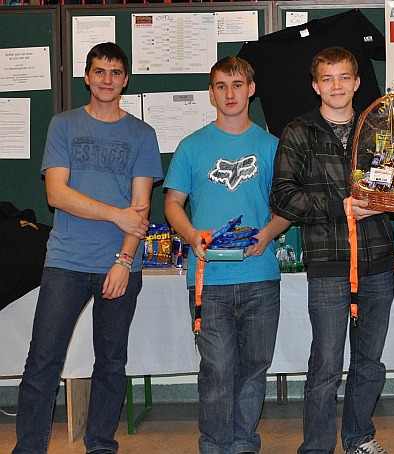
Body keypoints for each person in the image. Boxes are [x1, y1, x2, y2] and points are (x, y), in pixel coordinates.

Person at [270, 46, 394, 454]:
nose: (336, 86)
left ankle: (359, 438)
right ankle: (317, 446)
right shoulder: (299, 132)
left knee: (369, 361)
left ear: (356, 83)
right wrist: (340, 206)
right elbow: (283, 198)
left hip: (377, 262)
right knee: (325, 364)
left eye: (344, 77)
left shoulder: (382, 129)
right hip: (329, 263)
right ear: (315, 86)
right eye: (327, 79)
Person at [13, 42, 163, 454]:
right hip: (66, 261)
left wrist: (124, 260)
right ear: (87, 77)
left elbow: (141, 208)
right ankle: (29, 448)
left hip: (119, 265)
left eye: (115, 72)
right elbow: (57, 194)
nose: (107, 79)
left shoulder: (142, 134)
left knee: (111, 363)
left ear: (125, 79)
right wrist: (116, 215)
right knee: (43, 361)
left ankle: (100, 445)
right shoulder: (63, 125)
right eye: (99, 71)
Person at [163, 56, 290, 454]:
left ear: (251, 89)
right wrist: (191, 235)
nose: (230, 93)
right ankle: (215, 446)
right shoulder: (191, 146)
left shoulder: (272, 147)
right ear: (211, 93)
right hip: (209, 280)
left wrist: (266, 235)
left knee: (254, 368)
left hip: (259, 276)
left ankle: (244, 444)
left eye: (237, 85)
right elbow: (172, 204)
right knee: (217, 369)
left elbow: (288, 207)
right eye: (221, 86)